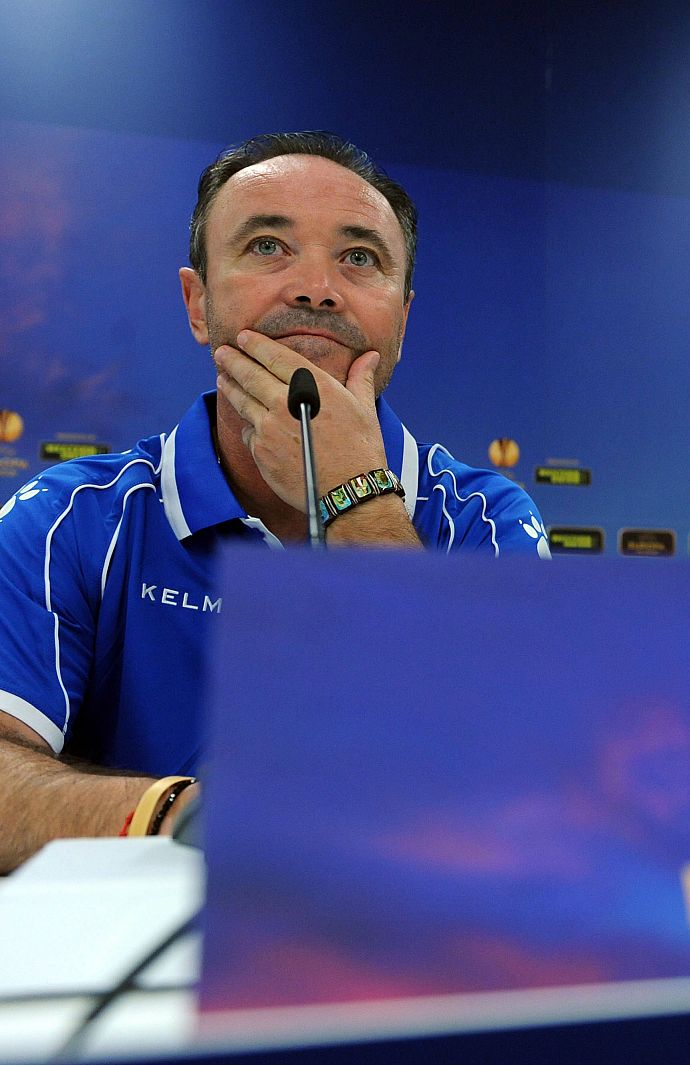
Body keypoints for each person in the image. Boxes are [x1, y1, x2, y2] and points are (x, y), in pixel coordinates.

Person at [0, 132, 551, 870]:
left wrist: (358, 501)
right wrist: (185, 817)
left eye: (359, 258)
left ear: (403, 321)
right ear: (199, 305)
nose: (316, 287)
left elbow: (530, 780)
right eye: (267, 246)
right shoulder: (69, 518)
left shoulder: (485, 520)